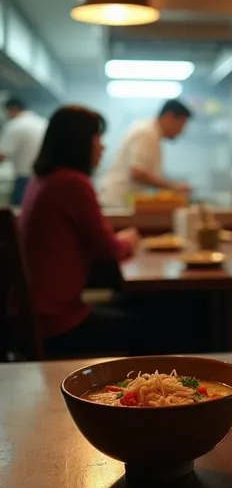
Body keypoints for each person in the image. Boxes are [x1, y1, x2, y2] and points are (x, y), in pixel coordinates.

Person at [19, 105, 142, 356]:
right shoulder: (72, 183)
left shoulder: (42, 180)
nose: (102, 146)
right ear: (79, 143)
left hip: (32, 315)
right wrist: (129, 240)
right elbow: (109, 249)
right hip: (58, 320)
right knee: (150, 324)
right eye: (97, 138)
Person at [99, 99, 193, 208]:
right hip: (118, 201)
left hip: (121, 200)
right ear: (169, 116)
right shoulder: (148, 133)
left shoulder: (150, 132)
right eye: (181, 124)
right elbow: (138, 172)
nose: (182, 131)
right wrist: (174, 187)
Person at [0, 98, 47, 206]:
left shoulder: (15, 125)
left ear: (12, 109)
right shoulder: (42, 122)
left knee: (18, 214)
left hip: (25, 180)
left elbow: (2, 155)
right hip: (44, 179)